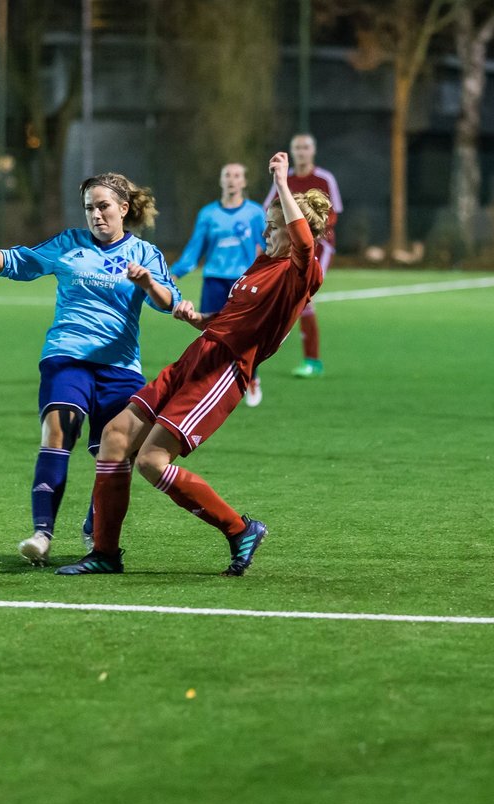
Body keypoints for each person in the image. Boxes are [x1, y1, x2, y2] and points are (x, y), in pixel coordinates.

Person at [56, 151, 329, 577]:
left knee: (151, 462)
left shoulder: (302, 270)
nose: (267, 232)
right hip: (198, 355)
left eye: (274, 227)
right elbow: (235, 317)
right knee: (114, 436)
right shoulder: (264, 262)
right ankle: (104, 553)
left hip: (223, 372)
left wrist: (280, 180)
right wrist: (200, 319)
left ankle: (240, 530)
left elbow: (304, 241)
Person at [0, 173, 181, 567]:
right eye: (89, 208)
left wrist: (148, 283)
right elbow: (18, 262)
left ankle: (95, 525)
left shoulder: (145, 255)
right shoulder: (69, 244)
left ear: (123, 208)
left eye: (103, 207)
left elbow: (169, 302)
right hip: (67, 355)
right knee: (58, 427)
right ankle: (41, 534)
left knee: (117, 454)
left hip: (120, 367)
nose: (96, 215)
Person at [170, 162, 267, 406]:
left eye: (237, 175)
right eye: (227, 175)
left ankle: (251, 377)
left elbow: (268, 247)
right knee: (211, 333)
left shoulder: (255, 213)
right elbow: (195, 249)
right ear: (221, 180)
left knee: (245, 334)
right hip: (214, 279)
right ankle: (209, 381)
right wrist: (174, 274)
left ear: (244, 182)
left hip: (242, 283)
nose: (232, 180)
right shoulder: (208, 214)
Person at [263, 133, 342, 378]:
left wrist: (308, 231)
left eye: (305, 147)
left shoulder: (324, 178)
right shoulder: (285, 180)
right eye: (297, 147)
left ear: (313, 151)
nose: (301, 152)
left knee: (305, 298)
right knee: (280, 297)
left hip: (319, 248)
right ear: (292, 151)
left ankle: (313, 361)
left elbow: (333, 214)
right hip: (289, 247)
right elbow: (269, 208)